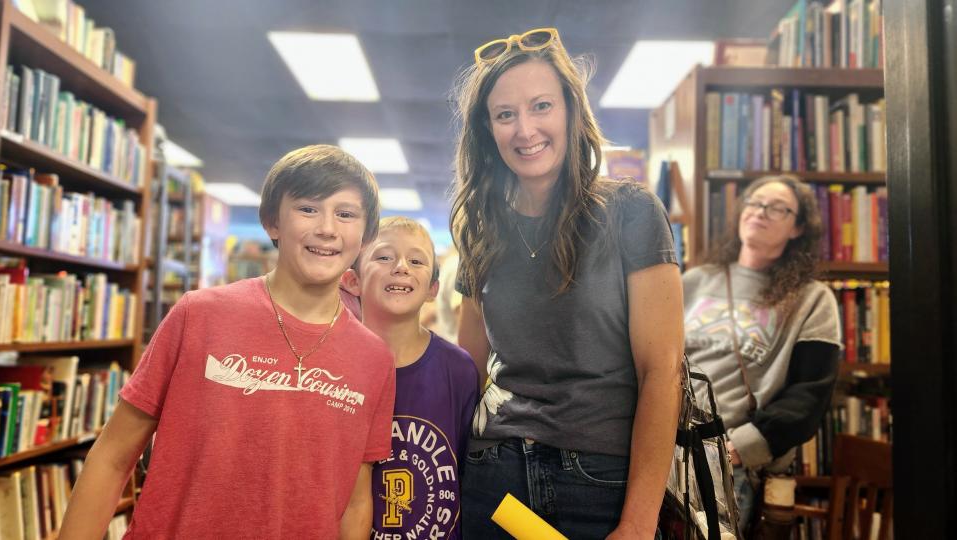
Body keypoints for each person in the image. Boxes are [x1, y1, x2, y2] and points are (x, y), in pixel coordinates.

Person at [58, 145, 397, 539]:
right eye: (307, 208)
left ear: (365, 234)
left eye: (346, 214)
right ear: (273, 222)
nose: (327, 227)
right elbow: (113, 456)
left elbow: (355, 501)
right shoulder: (199, 314)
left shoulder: (373, 359)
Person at [450, 28, 684, 540]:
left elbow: (662, 373)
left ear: (571, 112)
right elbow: (466, 370)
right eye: (505, 114)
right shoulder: (481, 228)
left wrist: (639, 523)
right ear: (487, 130)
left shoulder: (631, 212)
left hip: (601, 480)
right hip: (496, 476)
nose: (524, 129)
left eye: (541, 106)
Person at [682, 174, 842, 531]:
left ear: (799, 228)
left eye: (777, 208)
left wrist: (737, 450)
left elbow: (809, 396)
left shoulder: (811, 299)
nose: (760, 212)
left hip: (727, 465)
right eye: (754, 202)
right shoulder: (695, 281)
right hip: (664, 452)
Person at [342, 216, 479, 540]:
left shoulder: (458, 370)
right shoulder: (334, 366)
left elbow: (467, 470)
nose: (401, 266)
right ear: (352, 280)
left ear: (434, 288)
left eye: (416, 261)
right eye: (384, 257)